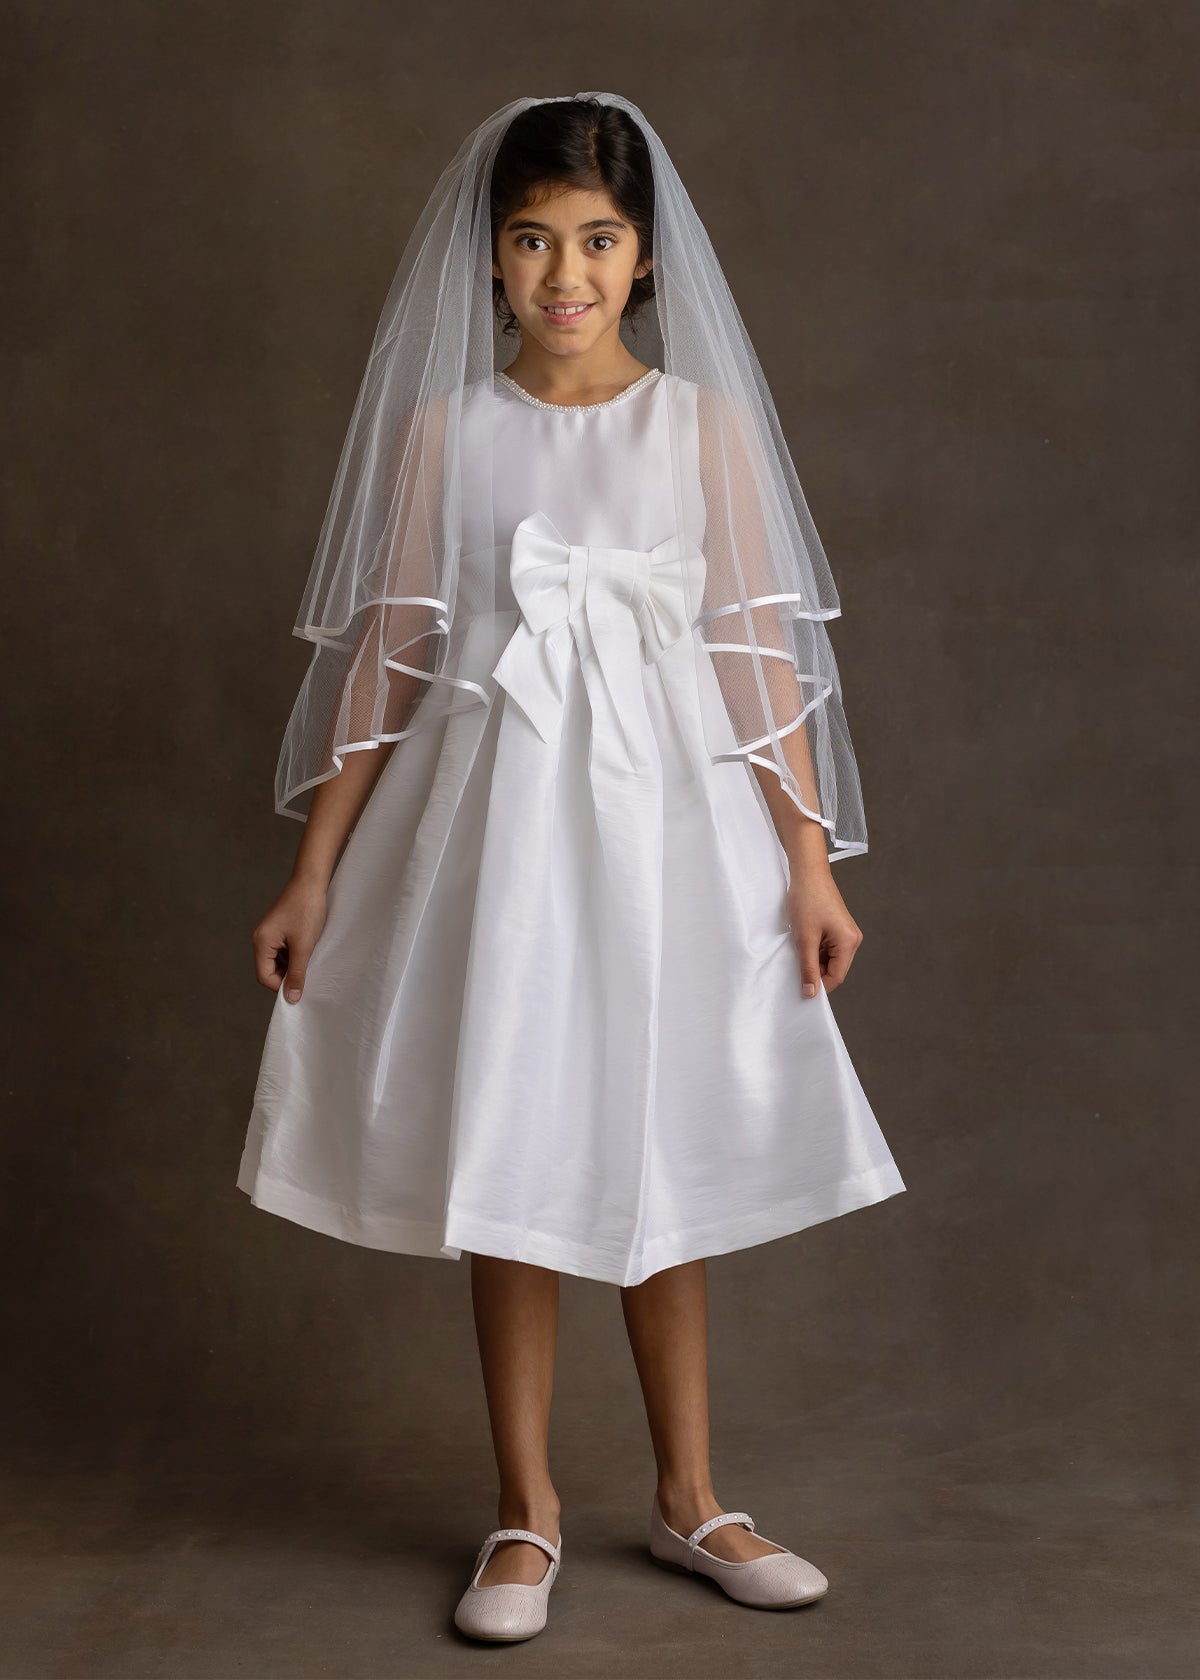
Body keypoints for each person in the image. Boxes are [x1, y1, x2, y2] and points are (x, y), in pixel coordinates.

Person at [239, 92, 906, 1644]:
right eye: (532, 240)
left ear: (647, 259)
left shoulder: (701, 430)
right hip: (499, 840)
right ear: (488, 262)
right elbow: (390, 661)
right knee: (516, 1149)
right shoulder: (449, 435)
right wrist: (313, 875)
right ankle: (524, 1511)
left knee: (656, 1142)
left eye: (597, 241)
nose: (565, 275)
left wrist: (811, 867)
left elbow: (757, 663)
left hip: (673, 834)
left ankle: (693, 1497)